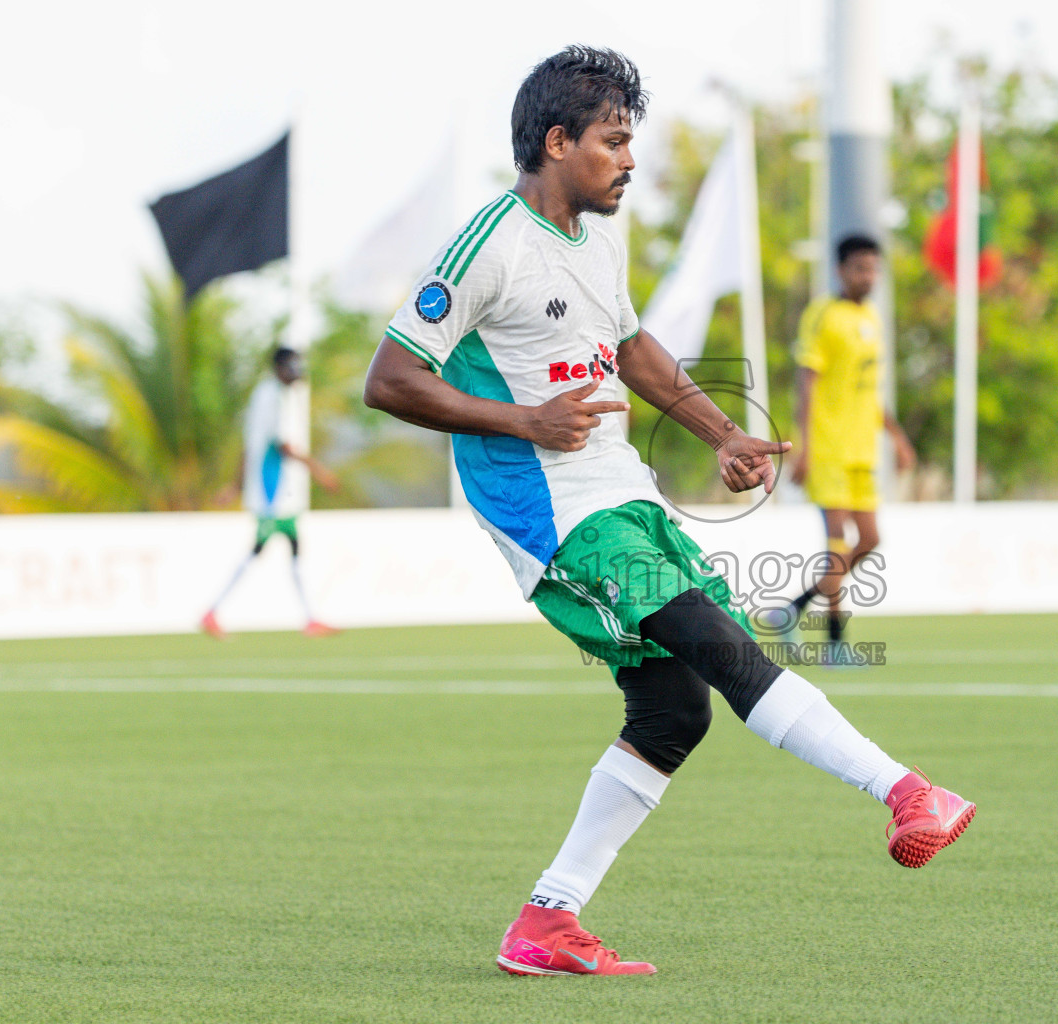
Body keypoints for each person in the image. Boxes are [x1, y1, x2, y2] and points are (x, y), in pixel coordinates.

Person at [362, 45, 972, 978]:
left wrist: (719, 430)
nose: (630, 160)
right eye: (614, 142)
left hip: (621, 493)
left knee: (674, 709)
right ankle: (904, 790)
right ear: (559, 142)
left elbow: (633, 344)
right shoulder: (488, 244)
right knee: (720, 645)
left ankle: (546, 923)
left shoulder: (600, 232)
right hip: (554, 512)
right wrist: (523, 418)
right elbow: (392, 378)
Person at [784, 235, 916, 654]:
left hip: (862, 449)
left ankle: (793, 608)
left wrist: (896, 437)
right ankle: (835, 643)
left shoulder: (872, 319)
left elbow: (869, 391)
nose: (868, 276)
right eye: (860, 268)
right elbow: (807, 381)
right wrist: (803, 445)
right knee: (837, 544)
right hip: (829, 448)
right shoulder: (823, 314)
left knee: (870, 539)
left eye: (873, 268)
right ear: (841, 270)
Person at [202, 346, 340, 639]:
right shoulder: (272, 397)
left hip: (272, 489)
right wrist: (319, 471)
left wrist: (236, 485)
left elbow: (249, 444)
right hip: (271, 489)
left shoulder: (265, 395)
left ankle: (310, 617)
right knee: (264, 550)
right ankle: (213, 611)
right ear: (280, 367)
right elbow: (281, 445)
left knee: (289, 549)